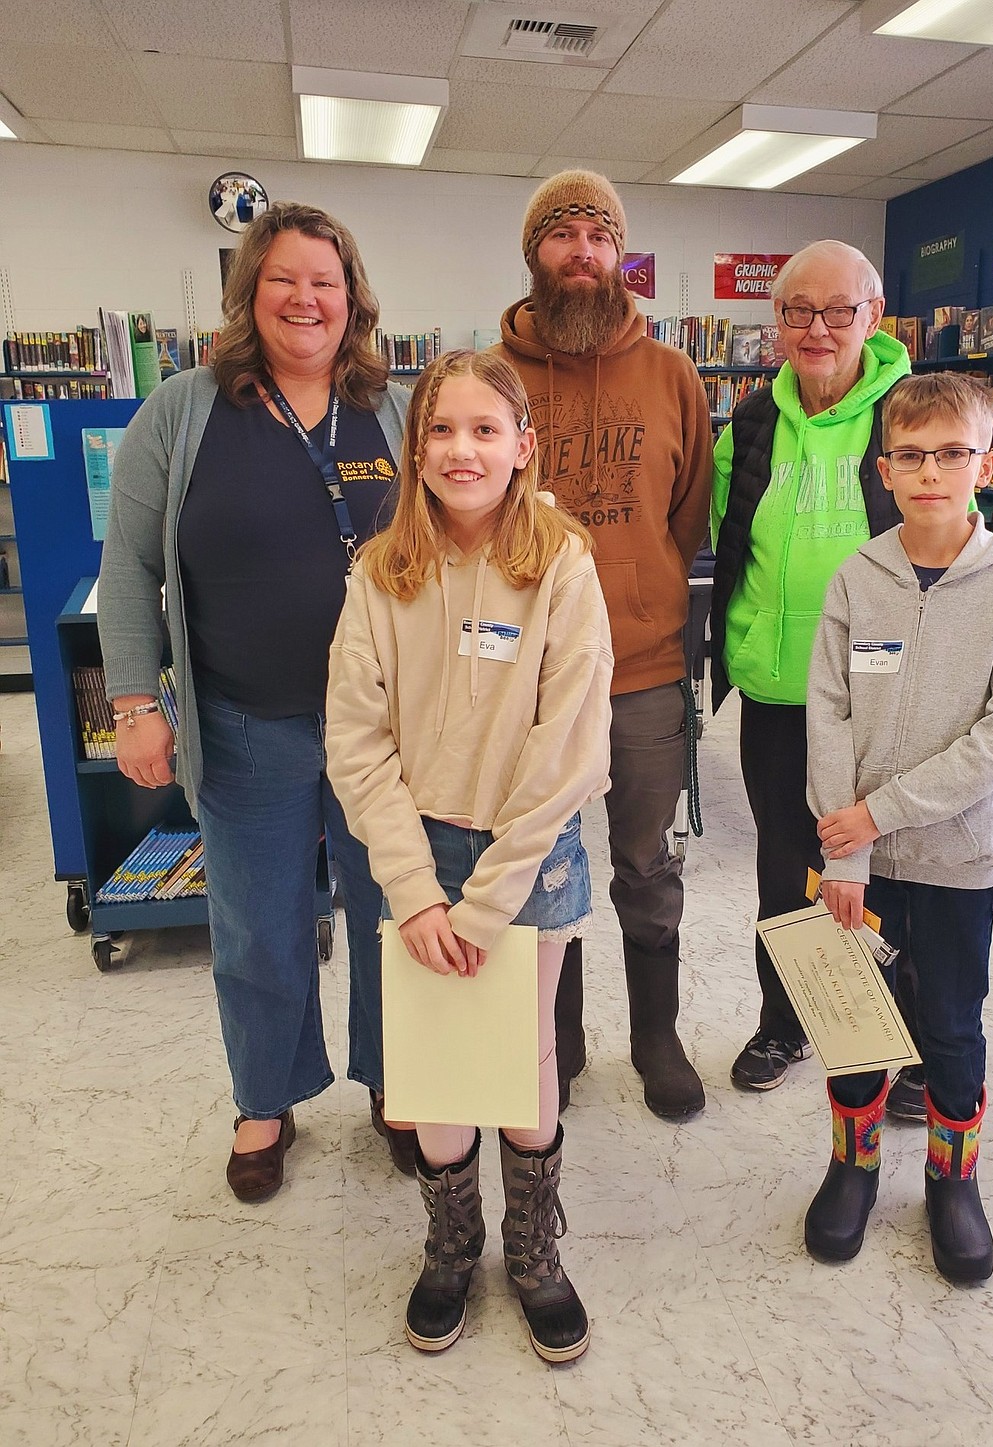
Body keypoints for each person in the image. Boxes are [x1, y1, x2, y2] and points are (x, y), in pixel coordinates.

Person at [97, 201, 417, 1202]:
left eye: (325, 281)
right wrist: (138, 703)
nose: (305, 299)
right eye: (283, 279)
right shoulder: (184, 411)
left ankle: (396, 1082)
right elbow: (130, 563)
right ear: (249, 294)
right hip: (243, 724)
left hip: (383, 731)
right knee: (256, 925)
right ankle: (266, 1098)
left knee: (391, 913)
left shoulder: (396, 408)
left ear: (354, 300)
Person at [325, 349, 612, 1362]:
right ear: (415, 449)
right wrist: (414, 889)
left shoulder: (564, 562)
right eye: (441, 430)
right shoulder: (379, 571)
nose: (462, 449)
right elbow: (357, 744)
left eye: (486, 429)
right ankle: (453, 1240)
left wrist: (487, 903)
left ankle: (534, 1247)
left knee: (527, 1054)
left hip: (530, 850)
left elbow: (569, 743)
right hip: (416, 850)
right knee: (439, 1064)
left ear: (523, 445)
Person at [803, 372, 993, 1282]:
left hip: (957, 859)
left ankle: (953, 1180)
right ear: (886, 468)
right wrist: (854, 844)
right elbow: (825, 712)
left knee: (950, 1024)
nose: (931, 470)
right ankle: (852, 1166)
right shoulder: (856, 579)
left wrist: (881, 810)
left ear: (985, 462)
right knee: (855, 1023)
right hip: (856, 863)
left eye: (952, 452)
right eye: (911, 455)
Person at [498, 170, 712, 1121]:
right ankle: (562, 1032)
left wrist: (642, 593)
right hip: (526, 678)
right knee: (544, 858)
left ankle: (655, 1035)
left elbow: (688, 516)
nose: (582, 250)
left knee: (645, 859)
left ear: (621, 256)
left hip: (644, 669)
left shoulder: (672, 375)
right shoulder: (491, 377)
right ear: (534, 254)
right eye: (561, 234)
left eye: (599, 234)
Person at [710, 239, 911, 1094]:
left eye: (839, 311)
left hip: (885, 703)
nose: (819, 328)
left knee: (890, 871)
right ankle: (783, 1023)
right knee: (783, 867)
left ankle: (900, 1035)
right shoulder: (751, 421)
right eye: (799, 311)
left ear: (873, 316)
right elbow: (729, 538)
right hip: (779, 692)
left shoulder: (910, 416)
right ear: (777, 322)